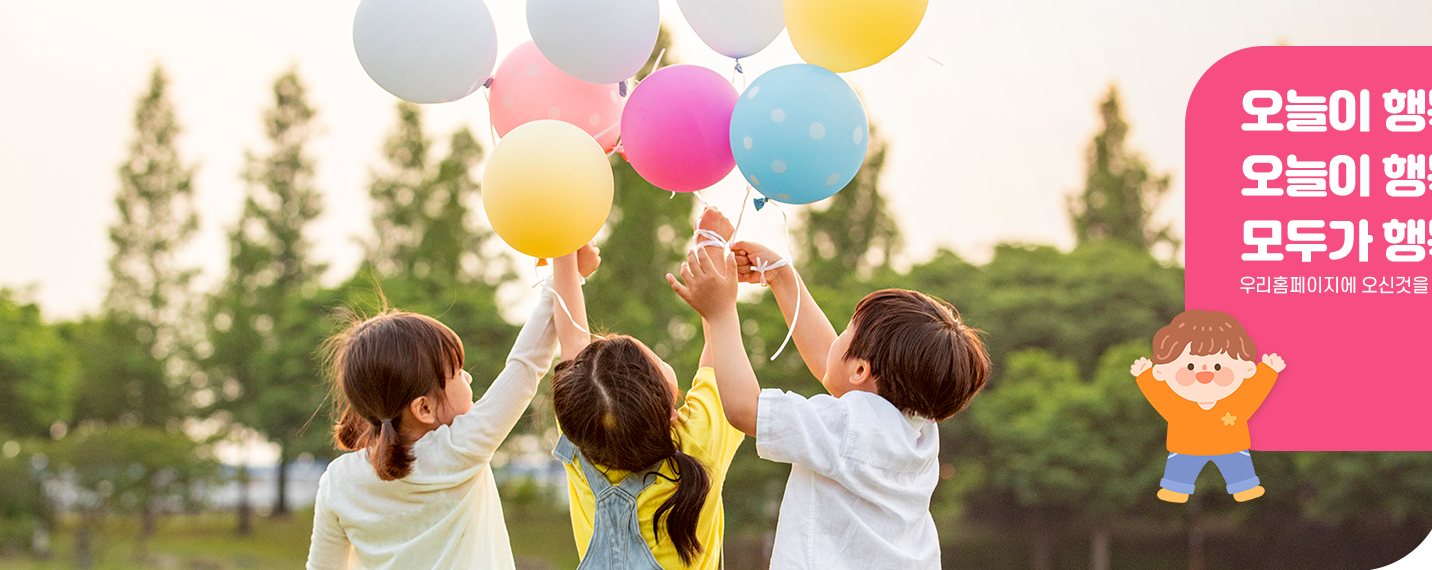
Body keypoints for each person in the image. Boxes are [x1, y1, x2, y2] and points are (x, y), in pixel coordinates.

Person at [670, 238, 990, 569]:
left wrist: (720, 312)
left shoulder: (849, 427)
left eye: (847, 331)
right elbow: (833, 365)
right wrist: (782, 278)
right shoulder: (918, 430)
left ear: (861, 369)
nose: (836, 338)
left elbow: (744, 408)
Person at [306, 247, 595, 570]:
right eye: (457, 372)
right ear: (424, 408)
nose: (468, 376)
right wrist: (568, 271)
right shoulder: (460, 449)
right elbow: (526, 365)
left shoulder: (338, 481)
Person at [544, 210, 746, 570]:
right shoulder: (697, 443)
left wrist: (568, 255)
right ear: (670, 408)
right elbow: (721, 341)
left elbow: (571, 335)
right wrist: (710, 244)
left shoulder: (582, 431)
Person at [1129, 310, 1286, 503]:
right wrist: (1145, 376)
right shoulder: (1178, 405)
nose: (1205, 374)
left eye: (1218, 366)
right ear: (1163, 371)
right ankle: (1176, 487)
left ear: (1246, 369)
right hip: (1188, 446)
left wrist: (1267, 372)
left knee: (1236, 465)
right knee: (1181, 468)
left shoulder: (1236, 402)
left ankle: (1243, 485)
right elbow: (1159, 396)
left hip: (1228, 445)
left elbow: (1254, 392)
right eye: (1190, 367)